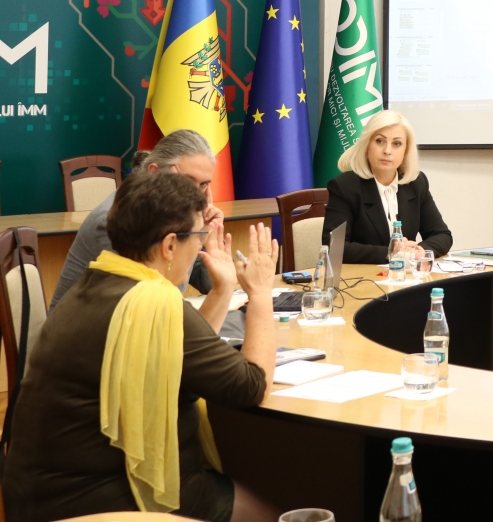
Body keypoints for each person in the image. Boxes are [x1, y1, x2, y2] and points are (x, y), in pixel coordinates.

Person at [3, 172, 282, 522]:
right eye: (199, 237)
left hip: (39, 496)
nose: (201, 248)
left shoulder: (99, 280)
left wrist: (223, 289)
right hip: (101, 500)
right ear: (169, 245)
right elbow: (252, 386)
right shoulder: (153, 300)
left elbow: (182, 351)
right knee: (278, 512)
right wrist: (260, 293)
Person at [50, 130, 245, 339]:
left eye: (204, 185)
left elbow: (206, 283)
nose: (197, 195)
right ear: (154, 172)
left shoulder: (170, 214)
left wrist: (205, 237)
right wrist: (194, 235)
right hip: (81, 340)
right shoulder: (118, 219)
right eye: (186, 181)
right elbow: (163, 300)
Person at [324, 110, 452, 264]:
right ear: (367, 145)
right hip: (363, 276)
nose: (387, 151)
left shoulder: (416, 183)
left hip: (404, 276)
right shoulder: (345, 187)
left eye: (397, 144)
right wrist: (390, 252)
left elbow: (442, 235)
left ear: (406, 151)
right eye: (379, 141)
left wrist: (419, 251)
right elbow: (334, 247)